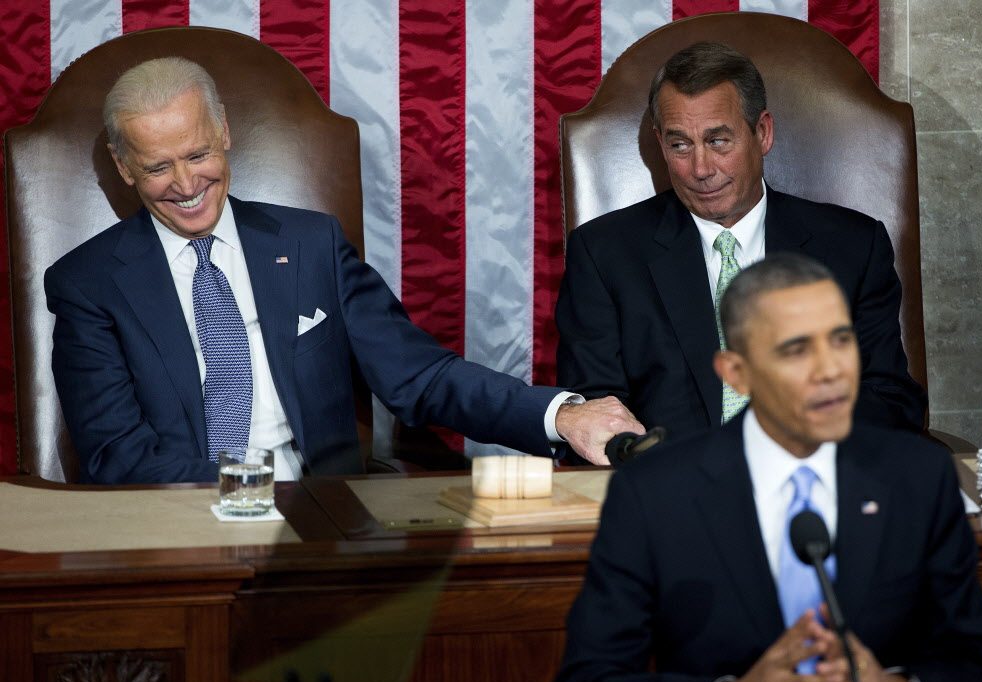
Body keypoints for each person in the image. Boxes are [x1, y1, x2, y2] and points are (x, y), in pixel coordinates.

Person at [44, 56, 643, 484]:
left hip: (325, 524)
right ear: (124, 168)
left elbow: (421, 377)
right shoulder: (88, 284)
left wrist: (561, 416)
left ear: (224, 133)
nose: (185, 185)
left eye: (198, 154)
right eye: (157, 168)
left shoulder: (311, 244)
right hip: (178, 529)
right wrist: (254, 497)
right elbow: (117, 456)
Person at [551, 255, 982, 682]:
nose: (830, 370)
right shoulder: (657, 491)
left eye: (841, 341)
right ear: (736, 373)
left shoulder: (917, 476)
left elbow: (981, 677)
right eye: (796, 350)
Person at [555, 41, 926, 444]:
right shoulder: (604, 253)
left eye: (718, 141)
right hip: (671, 491)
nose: (701, 169)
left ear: (762, 133)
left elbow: (890, 398)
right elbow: (595, 416)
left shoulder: (853, 247)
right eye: (680, 145)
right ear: (660, 144)